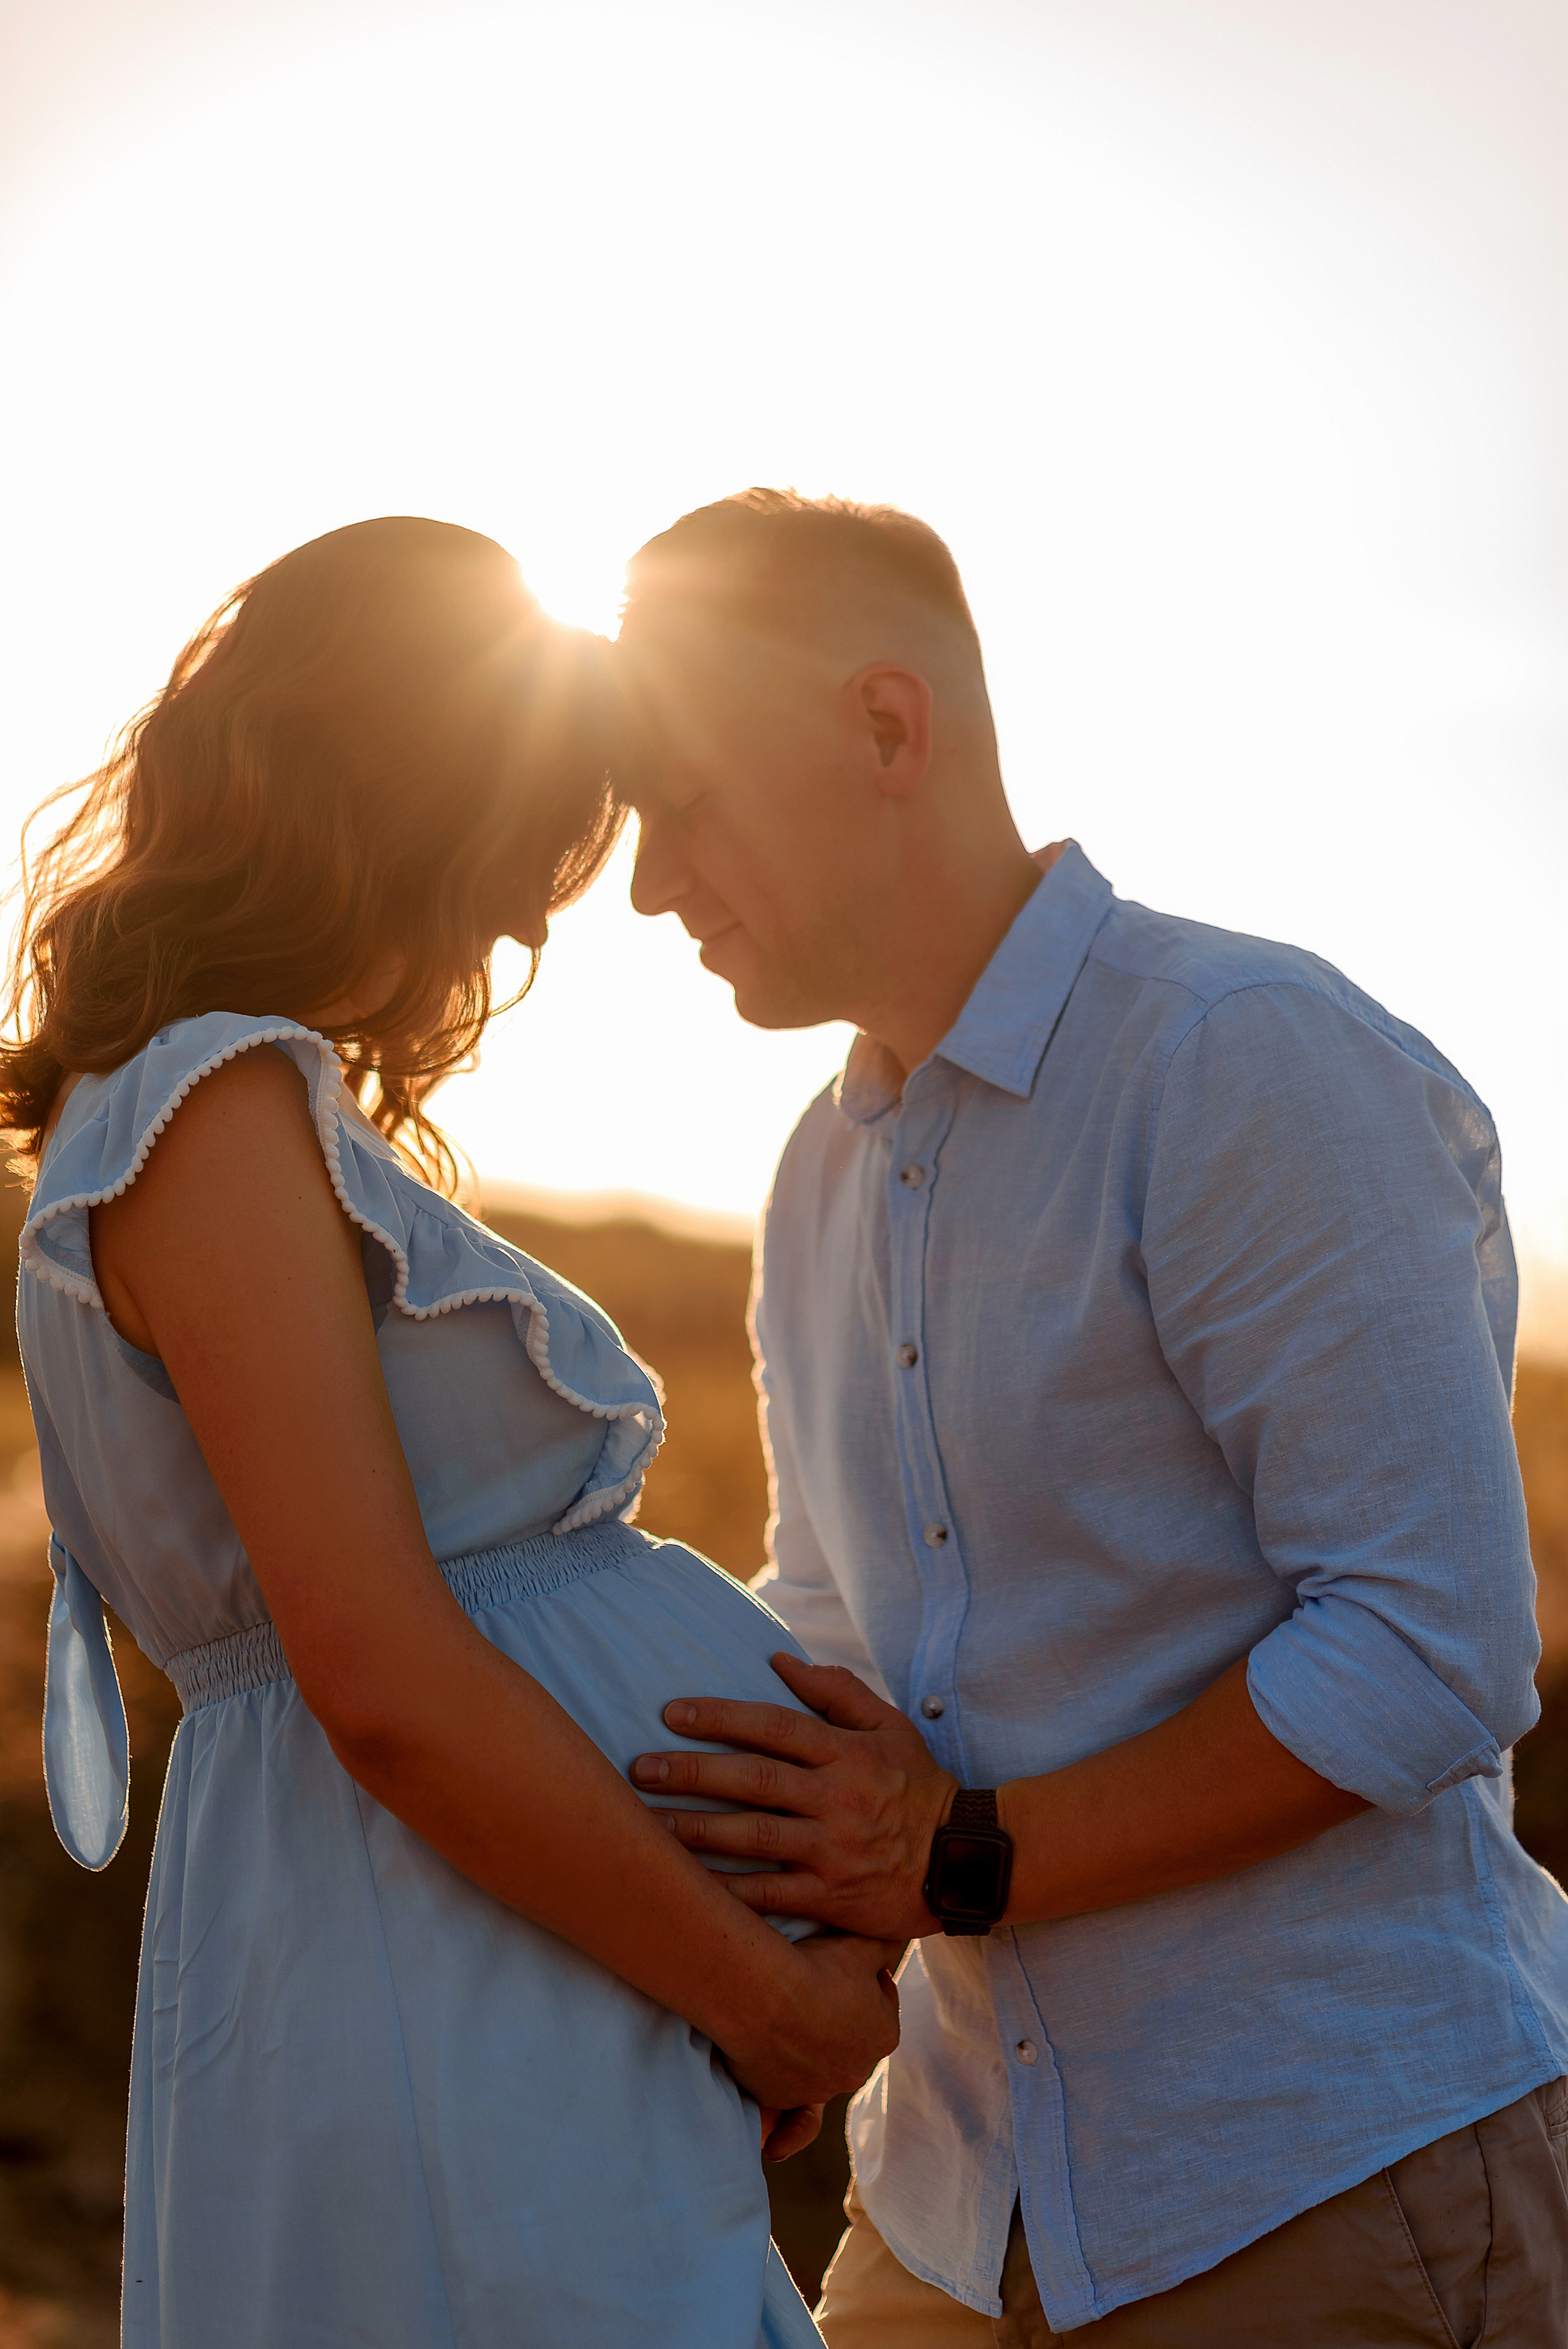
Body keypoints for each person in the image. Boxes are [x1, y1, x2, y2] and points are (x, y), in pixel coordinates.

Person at [616, 488, 1568, 2345]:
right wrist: (780, 1956)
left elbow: (1433, 1640)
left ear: (888, 727)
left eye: (682, 794)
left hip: (1324, 2171)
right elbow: (834, 1629)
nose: (653, 879)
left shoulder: (1241, 1058)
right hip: (955, 2205)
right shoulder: (821, 1173)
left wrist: (959, 1851)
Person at [2, 516, 902, 2349]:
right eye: (513, 865)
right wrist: (754, 1989)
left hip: (479, 1953)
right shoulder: (213, 1110)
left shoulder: (207, 1108)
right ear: (386, 803)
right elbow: (386, 1674)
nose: (509, 931)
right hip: (436, 1970)